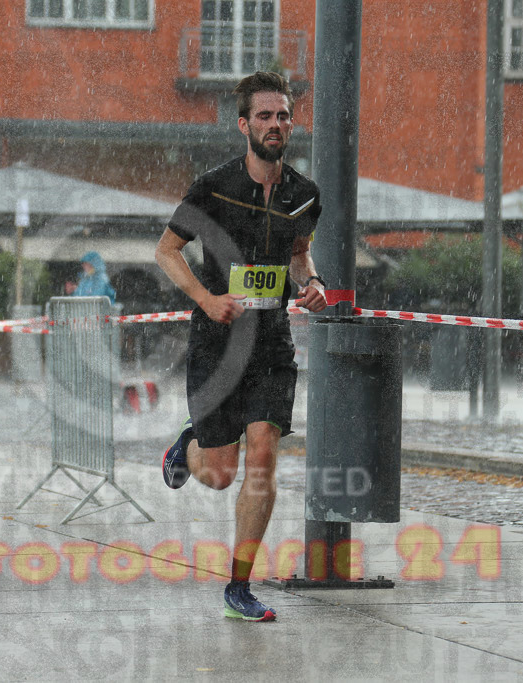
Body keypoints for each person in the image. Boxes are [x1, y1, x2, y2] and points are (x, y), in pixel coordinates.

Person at [155, 71, 328, 622]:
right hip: (218, 344)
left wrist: (311, 283)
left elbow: (299, 255)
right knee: (221, 473)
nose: (275, 125)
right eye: (264, 116)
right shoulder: (212, 187)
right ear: (243, 125)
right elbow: (166, 251)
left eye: (282, 116)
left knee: (263, 457)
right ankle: (188, 450)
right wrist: (206, 299)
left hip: (271, 342)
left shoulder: (305, 195)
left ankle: (239, 587)